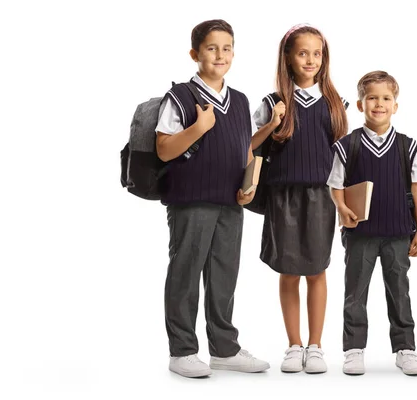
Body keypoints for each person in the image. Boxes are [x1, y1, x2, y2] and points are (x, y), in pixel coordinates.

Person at [155, 19, 269, 378]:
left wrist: (249, 184)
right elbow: (163, 149)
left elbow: (244, 149)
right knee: (186, 274)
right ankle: (183, 351)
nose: (220, 55)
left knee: (224, 275)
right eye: (211, 48)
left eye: (227, 47)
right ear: (195, 54)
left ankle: (224, 349)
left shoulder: (240, 100)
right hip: (192, 201)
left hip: (231, 203)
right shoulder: (181, 98)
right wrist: (199, 127)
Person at [251, 23, 349, 374]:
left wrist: (345, 201)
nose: (311, 60)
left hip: (321, 197)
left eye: (317, 54)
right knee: (289, 271)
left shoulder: (335, 103)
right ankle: (294, 344)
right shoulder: (273, 103)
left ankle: (316, 345)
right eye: (303, 53)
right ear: (288, 58)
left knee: (317, 270)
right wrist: (271, 124)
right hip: (283, 196)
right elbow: (247, 148)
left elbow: (343, 159)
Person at [327, 71, 417, 376]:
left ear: (395, 105)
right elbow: (336, 185)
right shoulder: (348, 146)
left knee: (399, 290)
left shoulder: (406, 146)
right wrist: (342, 208)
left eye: (386, 98)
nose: (379, 104)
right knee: (355, 291)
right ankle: (354, 349)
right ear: (360, 104)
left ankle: (405, 349)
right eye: (372, 97)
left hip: (398, 233)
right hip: (360, 234)